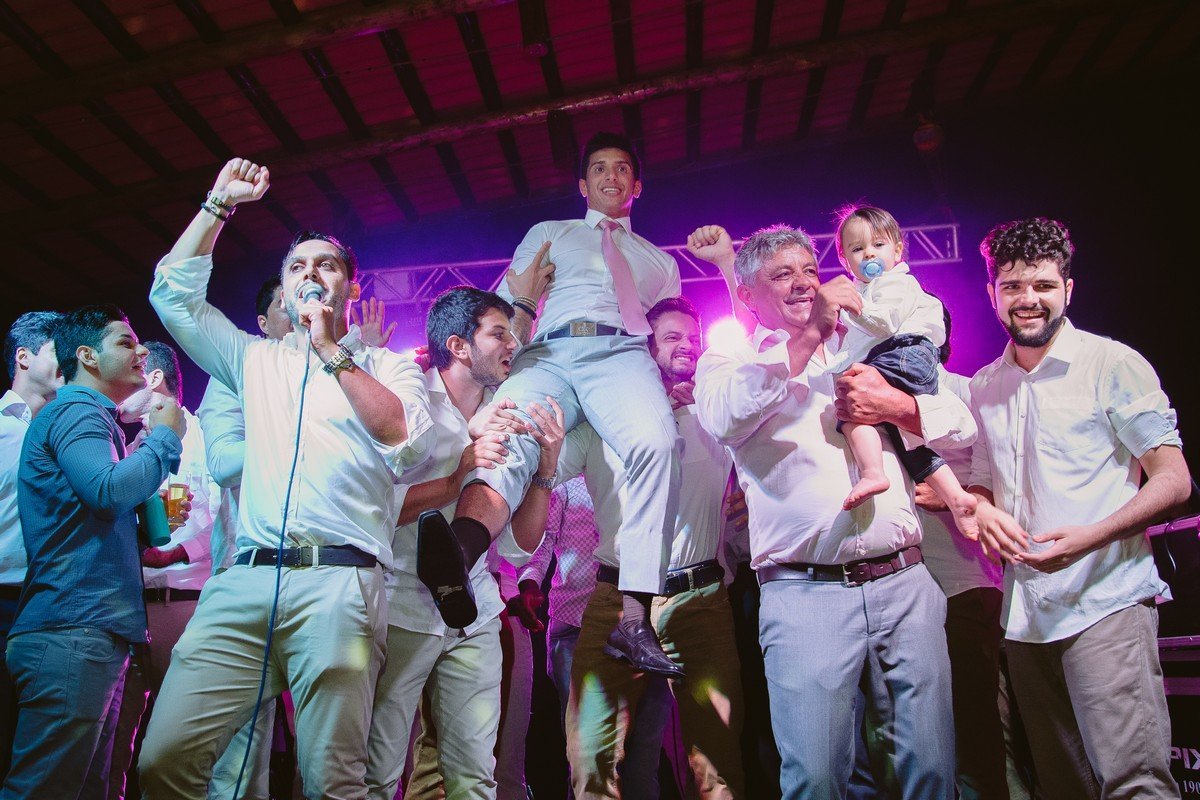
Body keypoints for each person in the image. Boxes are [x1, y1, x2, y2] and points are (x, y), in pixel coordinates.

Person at [140, 157, 434, 799]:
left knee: (330, 782)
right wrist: (217, 205)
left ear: (350, 287)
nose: (311, 274)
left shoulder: (389, 365)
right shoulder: (253, 359)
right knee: (163, 758)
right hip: (245, 582)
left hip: (340, 583)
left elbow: (403, 439)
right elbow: (171, 296)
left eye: (326, 265)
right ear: (282, 287)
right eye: (297, 267)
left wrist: (332, 350)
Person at [694, 224, 976, 799]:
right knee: (818, 777)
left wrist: (896, 404)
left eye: (809, 270)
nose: (803, 283)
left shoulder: (866, 339)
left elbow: (961, 425)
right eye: (782, 275)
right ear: (746, 295)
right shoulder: (732, 358)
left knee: (932, 770)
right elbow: (724, 417)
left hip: (905, 582)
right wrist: (810, 335)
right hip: (805, 595)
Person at [418, 132, 682, 677]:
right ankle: (457, 557)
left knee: (658, 446)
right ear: (583, 185)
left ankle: (635, 618)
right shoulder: (549, 233)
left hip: (622, 356)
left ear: (637, 185)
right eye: (599, 168)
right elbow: (510, 311)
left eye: (622, 168)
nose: (611, 176)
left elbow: (665, 334)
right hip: (550, 351)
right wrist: (505, 355)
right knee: (508, 435)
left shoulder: (661, 263)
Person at [967, 216, 1190, 799]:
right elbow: (984, 485)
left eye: (1043, 284)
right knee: (1064, 789)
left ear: (1068, 288)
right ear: (992, 294)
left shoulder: (1111, 364)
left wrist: (1091, 536)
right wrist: (979, 512)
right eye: (1013, 286)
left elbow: (1174, 480)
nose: (1028, 299)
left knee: (1136, 784)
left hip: (1105, 602)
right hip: (1026, 617)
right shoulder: (985, 385)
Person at [518, 297, 746, 800]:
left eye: (693, 338)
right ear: (644, 349)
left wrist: (750, 498)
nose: (687, 347)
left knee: (716, 762)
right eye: (673, 337)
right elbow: (544, 469)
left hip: (699, 599)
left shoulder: (714, 416)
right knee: (591, 755)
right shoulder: (602, 420)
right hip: (614, 601)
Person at [365, 286, 555, 800]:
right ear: (458, 346)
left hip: (476, 611)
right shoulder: (405, 404)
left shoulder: (511, 412)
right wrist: (457, 474)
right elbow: (372, 511)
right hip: (400, 608)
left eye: (513, 334)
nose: (512, 344)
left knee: (475, 777)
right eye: (498, 334)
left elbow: (517, 548)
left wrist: (546, 471)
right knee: (378, 773)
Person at [2, 304, 185, 800]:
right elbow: (107, 491)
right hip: (73, 626)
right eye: (125, 342)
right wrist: (165, 439)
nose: (141, 350)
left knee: (86, 789)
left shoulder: (92, 419)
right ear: (86, 356)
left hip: (85, 628)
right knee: (45, 789)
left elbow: (99, 515)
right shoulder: (77, 410)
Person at [107, 341, 213, 800]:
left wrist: (177, 552)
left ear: (153, 378)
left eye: (131, 373)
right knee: (116, 740)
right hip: (128, 606)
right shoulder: (128, 446)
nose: (117, 388)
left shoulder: (205, 436)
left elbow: (228, 521)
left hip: (184, 605)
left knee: (181, 744)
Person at [830, 206, 978, 531]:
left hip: (905, 352)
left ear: (897, 251)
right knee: (909, 445)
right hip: (902, 356)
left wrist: (848, 307)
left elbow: (883, 323)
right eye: (858, 248)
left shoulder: (895, 283)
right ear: (844, 259)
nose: (869, 253)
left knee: (853, 409)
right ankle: (956, 498)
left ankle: (873, 473)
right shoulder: (867, 292)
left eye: (878, 244)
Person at [0, 310, 64, 781]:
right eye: (57, 348)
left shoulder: (69, 435)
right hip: (3, 597)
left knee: (42, 751)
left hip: (53, 603)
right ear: (24, 357)